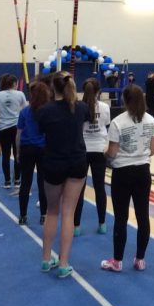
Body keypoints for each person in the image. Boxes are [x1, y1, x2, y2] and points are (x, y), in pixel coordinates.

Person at [35, 72, 89, 279]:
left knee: (52, 211)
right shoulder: (81, 108)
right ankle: (64, 263)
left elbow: (41, 132)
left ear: (52, 89)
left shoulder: (44, 111)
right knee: (68, 212)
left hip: (54, 163)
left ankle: (46, 259)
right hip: (76, 162)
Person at [102, 84, 154, 273]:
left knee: (121, 217)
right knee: (143, 216)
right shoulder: (150, 120)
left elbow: (112, 152)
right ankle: (140, 259)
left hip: (122, 173)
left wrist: (106, 156)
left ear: (125, 100)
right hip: (143, 172)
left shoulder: (118, 122)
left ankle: (117, 261)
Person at [74, 78, 110, 236]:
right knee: (99, 187)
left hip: (82, 150)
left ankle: (76, 226)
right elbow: (105, 125)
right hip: (99, 150)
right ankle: (102, 223)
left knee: (78, 190)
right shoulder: (104, 107)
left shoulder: (77, 107)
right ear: (98, 92)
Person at [16, 81, 51, 225]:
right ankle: (43, 214)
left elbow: (18, 134)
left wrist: (17, 151)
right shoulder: (48, 111)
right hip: (43, 149)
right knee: (43, 183)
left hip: (27, 148)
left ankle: (23, 215)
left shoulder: (25, 111)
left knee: (26, 182)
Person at [0, 74, 26, 190]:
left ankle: (7, 181)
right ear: (15, 84)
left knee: (5, 155)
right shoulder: (20, 94)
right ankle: (17, 180)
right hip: (17, 128)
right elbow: (25, 111)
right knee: (17, 154)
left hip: (3, 129)